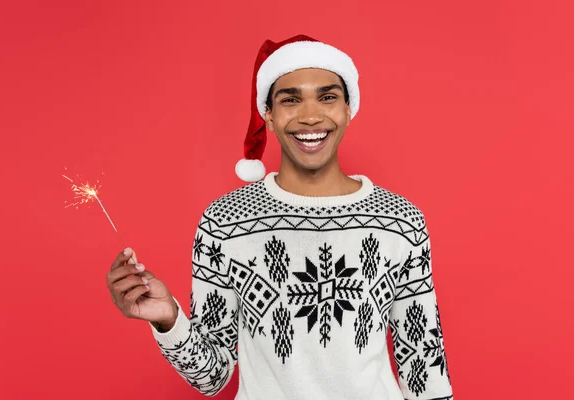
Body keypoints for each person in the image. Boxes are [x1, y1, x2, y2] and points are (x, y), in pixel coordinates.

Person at [106, 34, 454, 400]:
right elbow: (212, 377)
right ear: (268, 116)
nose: (310, 116)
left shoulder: (400, 220)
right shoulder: (225, 222)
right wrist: (168, 320)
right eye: (290, 100)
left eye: (327, 97)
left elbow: (424, 368)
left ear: (348, 109)